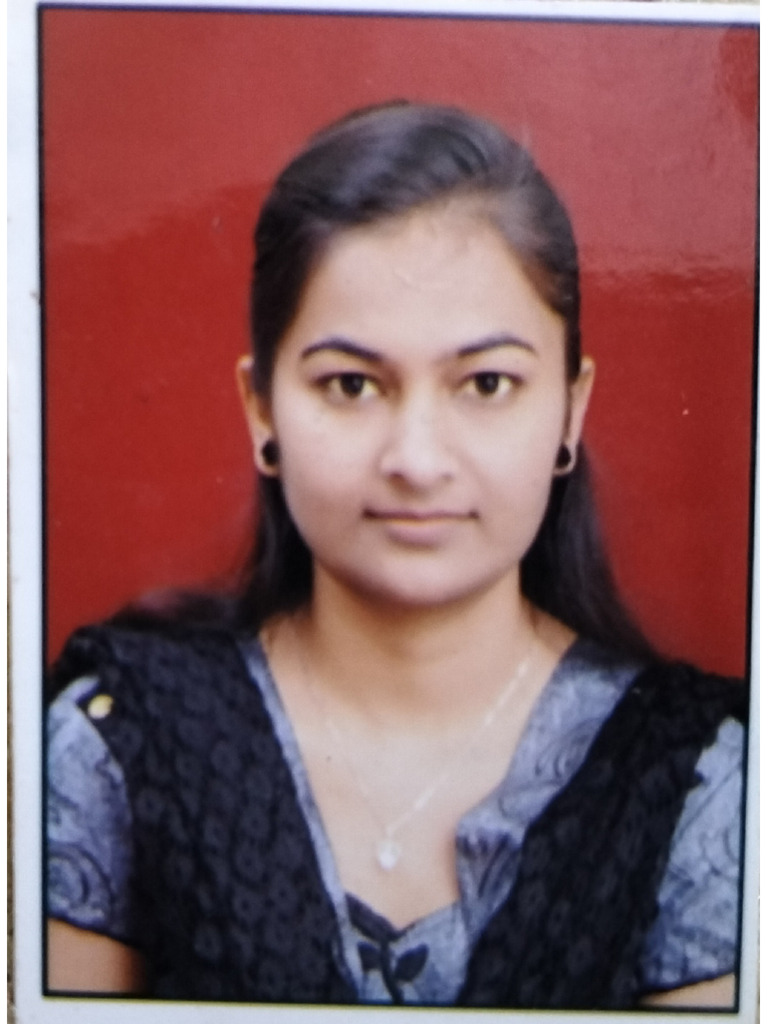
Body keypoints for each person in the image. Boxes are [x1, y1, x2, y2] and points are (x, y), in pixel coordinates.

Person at [46, 101, 746, 1008]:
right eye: (351, 384)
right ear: (262, 409)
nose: (416, 460)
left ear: (570, 409)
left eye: (486, 383)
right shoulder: (114, 741)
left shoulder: (703, 779)